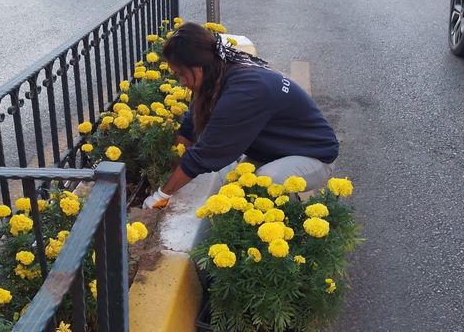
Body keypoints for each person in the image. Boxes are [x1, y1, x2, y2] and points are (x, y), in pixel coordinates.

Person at [142, 22, 339, 209]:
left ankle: (290, 228)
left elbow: (205, 154)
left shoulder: (244, 92)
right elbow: (189, 128)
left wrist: (161, 195)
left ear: (198, 66)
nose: (182, 82)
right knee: (236, 188)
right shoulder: (219, 69)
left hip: (313, 156)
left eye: (182, 74)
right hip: (279, 151)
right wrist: (169, 169)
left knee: (263, 182)